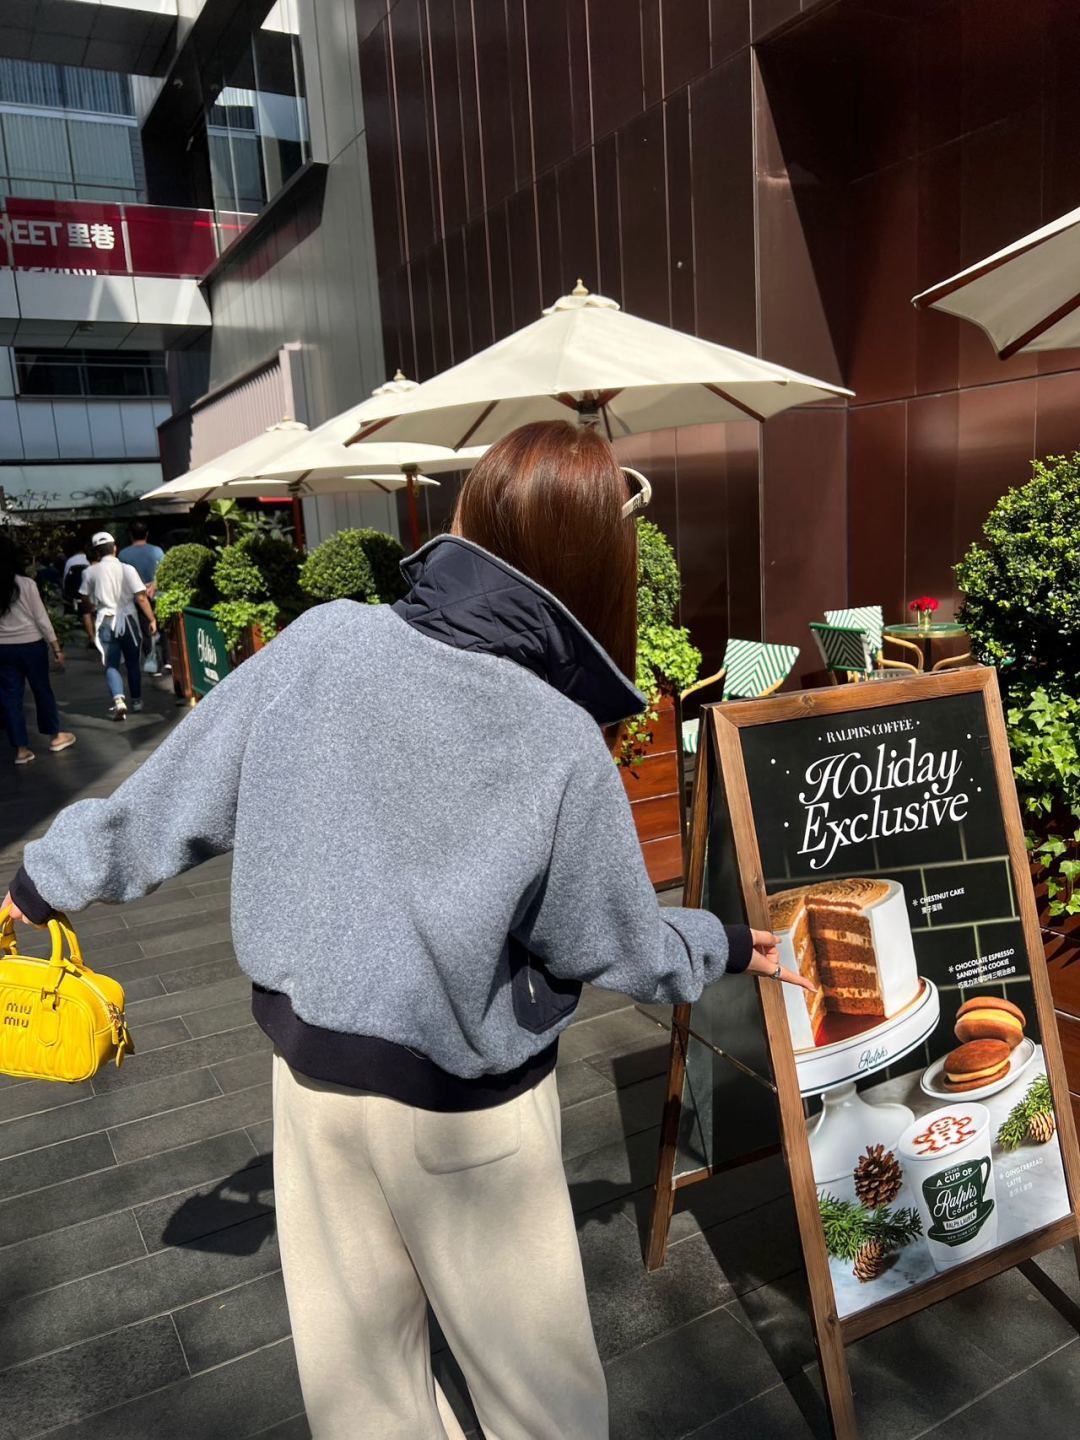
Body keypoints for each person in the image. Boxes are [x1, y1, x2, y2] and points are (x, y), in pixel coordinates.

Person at [1, 422, 813, 1440]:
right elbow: (604, 940)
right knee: (543, 1407)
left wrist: (42, 882)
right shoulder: (557, 735)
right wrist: (722, 944)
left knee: (364, 1400)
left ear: (469, 520)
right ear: (598, 567)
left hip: (310, 1089)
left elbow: (173, 793)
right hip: (467, 1115)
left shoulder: (323, 640)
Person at [0, 535, 76, 765]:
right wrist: (56, 647)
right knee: (42, 690)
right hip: (32, 645)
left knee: (11, 697)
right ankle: (55, 737)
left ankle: (21, 750)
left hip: (3, 649)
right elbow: (41, 618)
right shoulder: (26, 584)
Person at [80, 531, 157, 720]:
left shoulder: (89, 572)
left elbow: (85, 599)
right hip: (129, 620)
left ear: (97, 552)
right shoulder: (127, 569)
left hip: (106, 620)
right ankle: (137, 701)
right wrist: (152, 619)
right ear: (115, 548)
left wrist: (92, 606)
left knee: (111, 664)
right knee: (133, 663)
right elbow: (141, 597)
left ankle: (118, 699)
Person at [118, 520, 168, 673]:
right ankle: (168, 661)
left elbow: (124, 578)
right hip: (158, 595)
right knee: (164, 629)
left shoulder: (123, 554)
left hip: (138, 598)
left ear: (130, 535)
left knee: (146, 631)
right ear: (147, 534)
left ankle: (152, 664)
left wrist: (140, 588)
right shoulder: (157, 551)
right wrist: (153, 586)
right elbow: (163, 571)